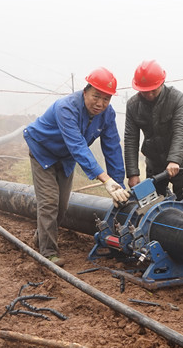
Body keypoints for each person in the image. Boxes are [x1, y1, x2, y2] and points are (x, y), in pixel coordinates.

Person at [23, 67, 130, 266]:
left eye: (106, 99)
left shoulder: (107, 114)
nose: (100, 103)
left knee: (62, 206)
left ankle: (41, 237)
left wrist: (118, 184)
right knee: (49, 202)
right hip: (42, 151)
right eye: (96, 96)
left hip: (66, 158)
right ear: (85, 91)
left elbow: (112, 147)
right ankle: (48, 253)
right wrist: (104, 179)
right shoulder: (67, 107)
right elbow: (78, 146)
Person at [123, 60, 183, 201]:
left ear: (162, 83)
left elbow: (181, 130)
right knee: (150, 205)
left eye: (153, 90)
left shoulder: (176, 98)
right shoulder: (133, 105)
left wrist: (174, 160)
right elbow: (131, 139)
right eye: (144, 91)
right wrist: (132, 173)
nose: (149, 94)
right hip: (154, 164)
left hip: (180, 163)